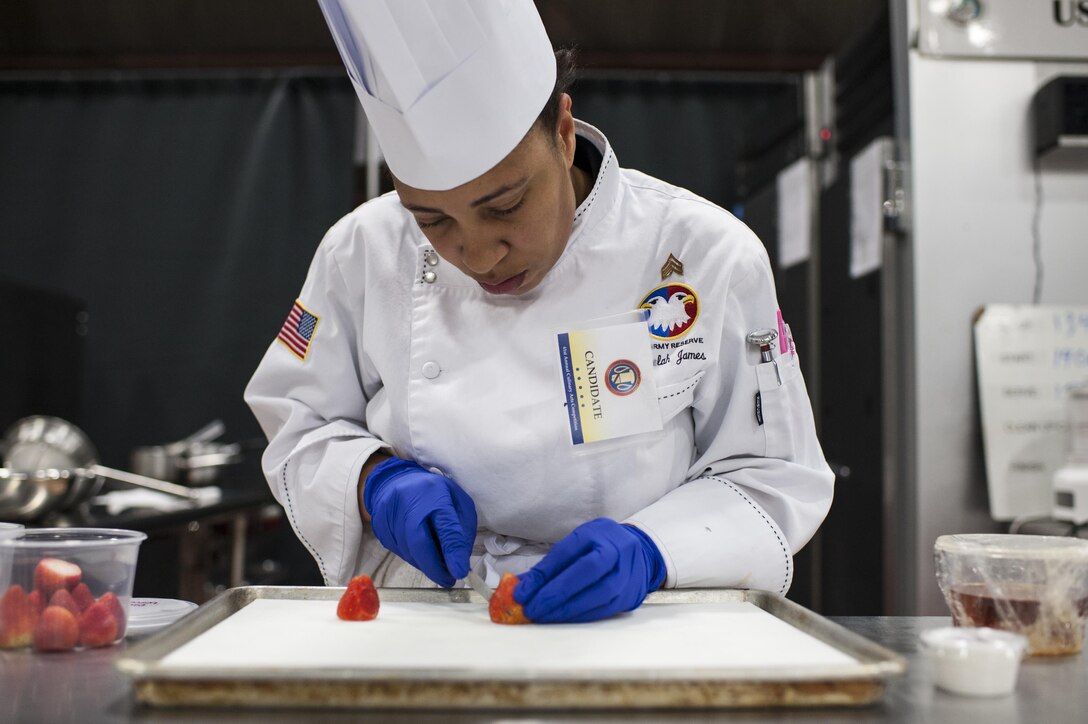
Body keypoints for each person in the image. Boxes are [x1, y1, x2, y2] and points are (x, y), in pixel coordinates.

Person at [245, 0, 834, 624]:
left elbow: (773, 475)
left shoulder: (702, 253)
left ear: (562, 130)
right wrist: (374, 481)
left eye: (504, 206)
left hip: (637, 622)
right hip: (427, 620)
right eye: (432, 219)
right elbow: (298, 422)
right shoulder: (361, 249)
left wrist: (655, 551)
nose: (477, 253)